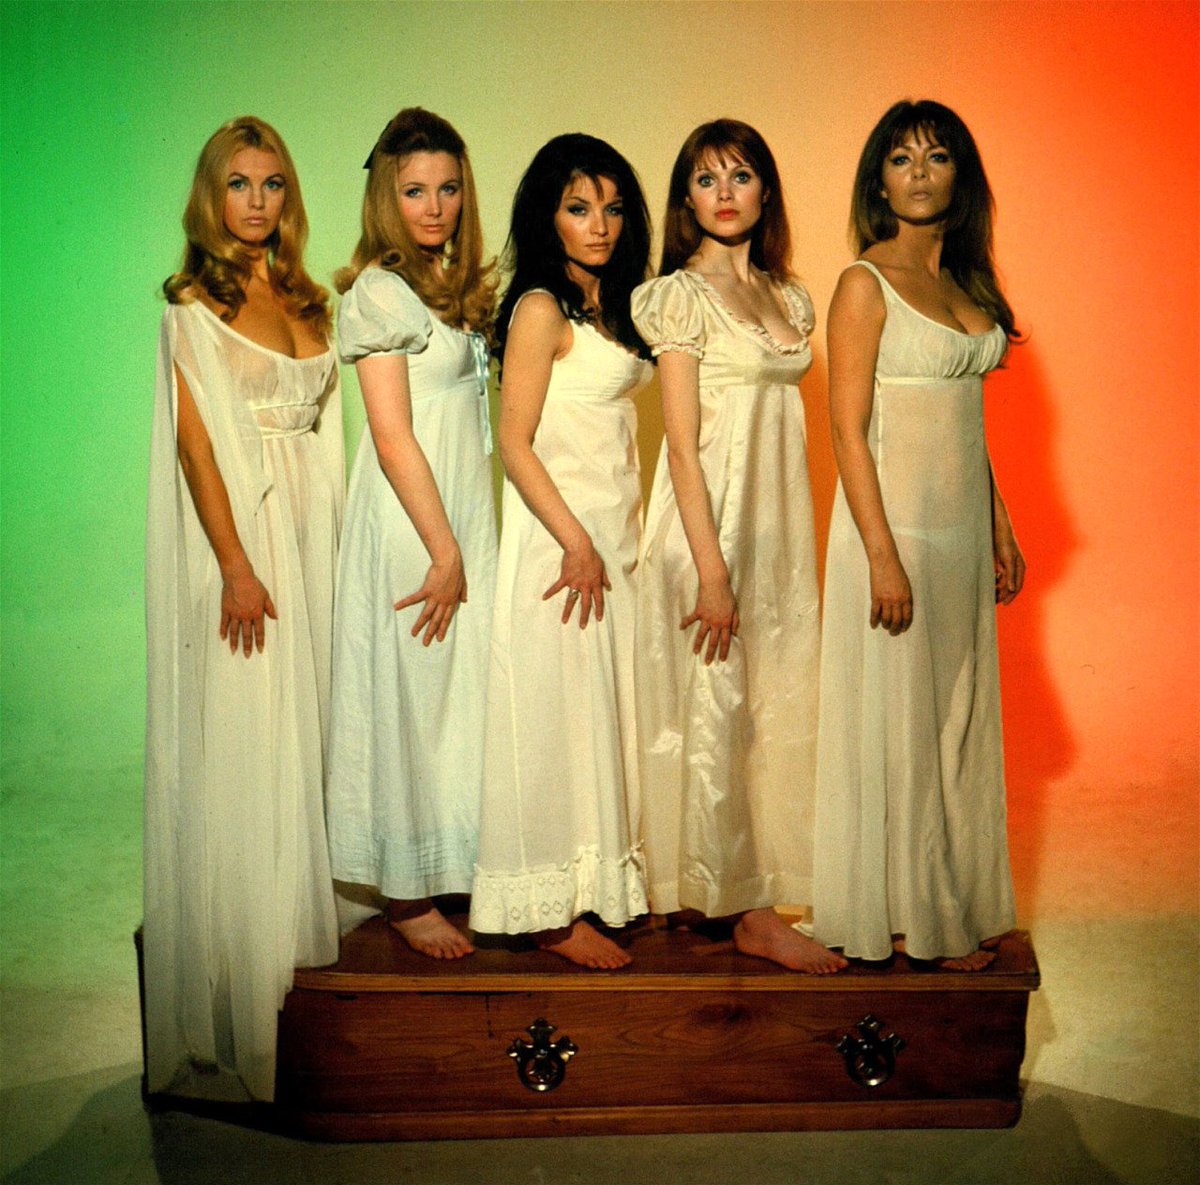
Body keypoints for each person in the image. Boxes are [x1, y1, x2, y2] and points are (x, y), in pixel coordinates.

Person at [144, 116, 342, 1101]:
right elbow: (195, 448)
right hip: (250, 543)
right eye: (238, 183)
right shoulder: (192, 307)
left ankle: (304, 952)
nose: (256, 201)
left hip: (315, 535)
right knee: (249, 742)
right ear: (210, 196)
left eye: (272, 184)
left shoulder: (308, 299)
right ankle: (245, 981)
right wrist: (234, 563)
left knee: (311, 731)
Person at [813, 99, 1024, 970]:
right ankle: (910, 921)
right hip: (893, 535)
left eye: (937, 156)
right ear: (879, 182)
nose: (920, 173)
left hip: (960, 536)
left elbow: (966, 422)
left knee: (957, 721)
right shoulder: (864, 283)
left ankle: (955, 897)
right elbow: (845, 428)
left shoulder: (970, 285)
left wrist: (999, 523)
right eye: (901, 159)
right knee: (900, 727)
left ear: (959, 174)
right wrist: (882, 555)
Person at [631, 119, 845, 974]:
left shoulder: (789, 296)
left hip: (776, 525)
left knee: (772, 704)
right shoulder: (679, 296)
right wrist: (711, 567)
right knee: (715, 710)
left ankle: (752, 884)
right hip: (706, 526)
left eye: (741, 174)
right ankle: (743, 909)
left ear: (766, 190)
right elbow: (682, 445)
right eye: (706, 177)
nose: (724, 192)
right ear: (686, 198)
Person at [469, 135, 652, 969]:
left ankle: (591, 891)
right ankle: (546, 912)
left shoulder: (613, 303)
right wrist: (575, 541)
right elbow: (514, 442)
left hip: (611, 538)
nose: (599, 224)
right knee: (552, 722)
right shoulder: (542, 307)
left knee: (595, 720)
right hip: (561, 545)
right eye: (579, 208)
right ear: (548, 216)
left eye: (611, 208)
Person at [324, 109, 498, 960]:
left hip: (458, 512)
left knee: (455, 699)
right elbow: (392, 436)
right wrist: (443, 547)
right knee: (407, 696)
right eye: (415, 191)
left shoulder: (448, 287)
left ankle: (448, 864)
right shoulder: (380, 292)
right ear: (385, 198)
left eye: (448, 188)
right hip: (414, 523)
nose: (434, 207)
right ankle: (404, 892)